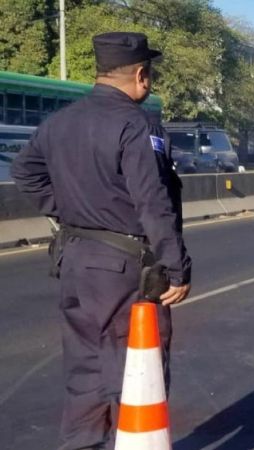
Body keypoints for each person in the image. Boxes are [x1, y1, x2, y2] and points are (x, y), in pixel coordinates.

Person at [11, 32, 191, 449]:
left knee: (84, 370)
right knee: (134, 369)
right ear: (142, 75)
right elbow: (153, 201)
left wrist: (68, 211)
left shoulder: (58, 122)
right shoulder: (136, 125)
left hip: (75, 260)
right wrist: (176, 267)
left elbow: (25, 172)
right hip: (124, 269)